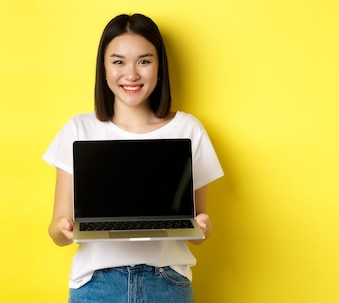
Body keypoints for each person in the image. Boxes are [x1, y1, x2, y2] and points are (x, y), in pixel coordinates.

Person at [43, 13, 223, 302]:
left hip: (167, 283)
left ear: (159, 66)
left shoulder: (189, 129)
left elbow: (196, 232)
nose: (131, 74)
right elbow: (56, 230)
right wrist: (64, 230)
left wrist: (203, 228)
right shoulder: (79, 129)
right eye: (118, 61)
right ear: (103, 68)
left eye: (144, 61)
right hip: (96, 285)